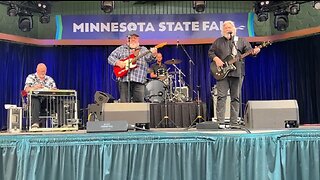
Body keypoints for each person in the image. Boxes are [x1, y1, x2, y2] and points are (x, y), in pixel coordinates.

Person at [208, 20, 260, 128]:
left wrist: (254, 52)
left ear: (234, 29)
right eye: (226, 27)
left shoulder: (241, 41)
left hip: (237, 72)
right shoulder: (218, 41)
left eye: (230, 27)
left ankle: (234, 122)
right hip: (222, 73)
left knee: (235, 97)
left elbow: (249, 51)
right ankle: (220, 122)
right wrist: (216, 59)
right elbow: (210, 52)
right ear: (222, 30)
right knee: (221, 97)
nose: (228, 29)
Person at [108, 32, 158, 102]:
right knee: (124, 104)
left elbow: (149, 59)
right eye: (132, 38)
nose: (134, 39)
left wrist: (153, 54)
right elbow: (110, 58)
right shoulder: (121, 49)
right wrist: (118, 63)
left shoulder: (143, 49)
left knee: (139, 104)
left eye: (135, 38)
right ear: (127, 39)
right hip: (124, 80)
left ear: (138, 39)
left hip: (139, 80)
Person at [24, 63, 57, 128]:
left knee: (58, 100)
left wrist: (53, 90)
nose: (43, 72)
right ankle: (35, 123)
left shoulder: (49, 79)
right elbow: (26, 89)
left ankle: (62, 123)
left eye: (44, 71)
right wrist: (35, 87)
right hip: (34, 101)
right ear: (37, 70)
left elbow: (55, 90)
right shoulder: (31, 77)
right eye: (41, 71)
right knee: (35, 99)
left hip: (46, 101)